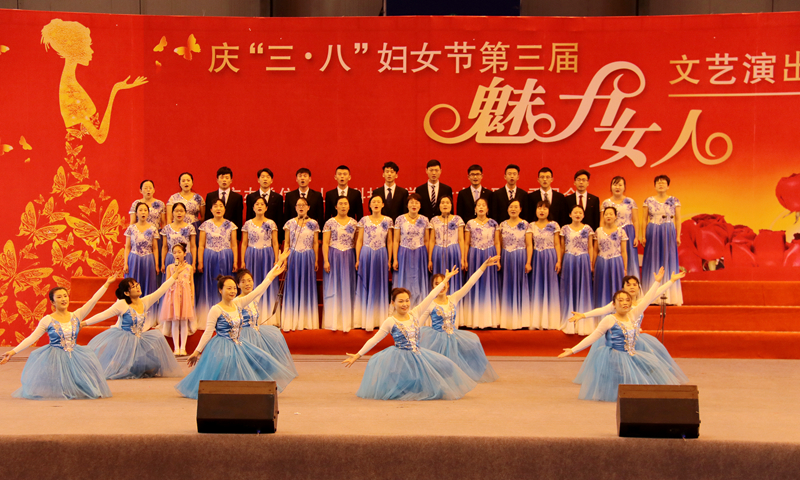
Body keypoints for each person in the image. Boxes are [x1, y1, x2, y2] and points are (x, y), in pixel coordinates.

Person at [342, 268, 477, 401]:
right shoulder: (390, 321)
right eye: (401, 301)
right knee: (406, 386)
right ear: (393, 303)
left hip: (418, 354)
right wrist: (358, 355)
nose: (405, 304)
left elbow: (431, 296)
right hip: (401, 358)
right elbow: (374, 340)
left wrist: (445, 280)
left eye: (407, 300)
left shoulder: (415, 313)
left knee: (446, 366)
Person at [177, 264, 295, 400]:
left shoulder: (238, 304)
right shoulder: (216, 309)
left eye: (234, 288)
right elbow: (208, 332)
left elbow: (259, 290)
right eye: (229, 288)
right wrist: (197, 352)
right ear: (220, 290)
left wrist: (272, 275)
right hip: (222, 345)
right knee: (223, 370)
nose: (232, 291)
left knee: (260, 360)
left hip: (239, 343)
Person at [558, 282, 689, 402]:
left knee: (652, 367)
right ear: (614, 304)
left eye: (627, 300)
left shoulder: (633, 315)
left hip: (631, 354)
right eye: (620, 300)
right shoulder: (609, 319)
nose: (625, 303)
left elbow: (648, 298)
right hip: (615, 355)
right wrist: (573, 350)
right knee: (623, 377)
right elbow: (594, 336)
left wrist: (658, 282)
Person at [0, 277, 116, 400]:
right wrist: (13, 352)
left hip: (75, 353)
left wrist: (107, 283)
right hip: (55, 355)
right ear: (52, 302)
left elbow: (93, 300)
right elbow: (32, 338)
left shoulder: (76, 315)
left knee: (85, 387)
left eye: (65, 296)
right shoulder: (47, 320)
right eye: (59, 297)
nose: (63, 299)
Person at [83, 266, 188, 379]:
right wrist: (84, 323)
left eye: (137, 284)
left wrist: (175, 275)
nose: (138, 287)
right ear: (126, 293)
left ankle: (130, 364)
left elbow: (161, 290)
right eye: (133, 287)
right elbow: (103, 315)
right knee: (122, 370)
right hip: (124, 341)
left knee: (152, 364)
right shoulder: (122, 304)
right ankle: (120, 363)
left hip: (139, 339)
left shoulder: (145, 301)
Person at [418, 257, 501, 383]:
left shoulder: (453, 298)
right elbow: (418, 325)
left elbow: (470, 283)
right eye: (437, 284)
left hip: (454, 335)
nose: (441, 286)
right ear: (433, 287)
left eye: (444, 282)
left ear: (448, 284)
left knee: (473, 342)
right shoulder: (429, 304)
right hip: (437, 338)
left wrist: (483, 267)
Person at [235, 265, 298, 377]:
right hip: (244, 336)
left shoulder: (254, 298)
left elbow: (265, 283)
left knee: (275, 337)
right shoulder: (237, 301)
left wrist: (278, 263)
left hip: (256, 333)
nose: (247, 284)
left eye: (249, 280)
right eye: (243, 281)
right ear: (238, 285)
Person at [641, 175, 683, 306]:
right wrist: (643, 236)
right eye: (658, 183)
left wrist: (678, 236)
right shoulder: (648, 201)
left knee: (668, 260)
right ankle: (651, 296)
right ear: (654, 185)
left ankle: (669, 296)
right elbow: (644, 219)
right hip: (653, 230)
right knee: (652, 260)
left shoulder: (674, 200)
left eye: (663, 183)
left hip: (668, 230)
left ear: (668, 186)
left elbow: (678, 219)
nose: (661, 184)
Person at [354, 195, 393, 331]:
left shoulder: (388, 221)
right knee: (365, 284)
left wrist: (389, 259)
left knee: (379, 285)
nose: (376, 204)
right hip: (366, 253)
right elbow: (359, 240)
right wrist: (357, 258)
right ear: (369, 205)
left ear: (383, 205)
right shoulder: (364, 220)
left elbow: (390, 241)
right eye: (373, 202)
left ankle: (379, 319)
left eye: (378, 202)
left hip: (381, 254)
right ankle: (364, 319)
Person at [196, 199, 238, 326]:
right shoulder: (205, 225)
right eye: (215, 206)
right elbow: (201, 245)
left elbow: (234, 245)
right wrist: (200, 261)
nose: (218, 208)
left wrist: (235, 261)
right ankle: (208, 316)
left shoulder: (231, 225)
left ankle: (227, 316)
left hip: (226, 257)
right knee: (209, 284)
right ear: (211, 209)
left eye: (221, 206)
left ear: (224, 209)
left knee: (225, 284)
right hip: (209, 257)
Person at [282, 197, 320, 331]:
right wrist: (285, 259)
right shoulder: (290, 223)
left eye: (304, 205)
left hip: (308, 256)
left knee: (306, 286)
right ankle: (292, 320)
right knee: (293, 286)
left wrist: (316, 259)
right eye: (298, 205)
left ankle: (307, 321)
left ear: (308, 207)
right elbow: (287, 243)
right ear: (295, 208)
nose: (301, 207)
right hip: (293, 256)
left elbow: (315, 243)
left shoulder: (314, 223)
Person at [241, 197, 280, 325]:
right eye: (257, 204)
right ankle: (249, 315)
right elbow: (244, 243)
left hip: (267, 255)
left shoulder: (271, 223)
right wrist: (242, 260)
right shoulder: (247, 224)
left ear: (266, 207)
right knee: (251, 283)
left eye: (262, 204)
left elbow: (275, 243)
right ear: (252, 207)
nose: (259, 206)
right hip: (251, 255)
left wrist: (276, 260)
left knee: (267, 283)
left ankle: (267, 316)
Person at [462, 198, 500, 328]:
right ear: (475, 209)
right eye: (479, 205)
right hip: (474, 255)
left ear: (487, 208)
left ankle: (489, 320)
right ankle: (473, 319)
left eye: (484, 205)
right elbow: (466, 243)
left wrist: (498, 259)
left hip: (490, 255)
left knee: (489, 285)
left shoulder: (494, 223)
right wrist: (465, 259)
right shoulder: (470, 224)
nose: (481, 207)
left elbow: (497, 242)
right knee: (474, 283)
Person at [322, 197, 358, 332]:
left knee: (348, 286)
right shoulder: (329, 223)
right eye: (340, 204)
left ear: (349, 207)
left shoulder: (354, 223)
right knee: (333, 287)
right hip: (334, 256)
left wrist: (357, 259)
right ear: (336, 207)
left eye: (345, 204)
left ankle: (348, 321)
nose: (343, 206)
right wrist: (326, 260)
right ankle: (333, 321)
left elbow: (357, 243)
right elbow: (325, 243)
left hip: (349, 256)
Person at [496, 200, 532, 329]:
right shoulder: (502, 225)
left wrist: (528, 262)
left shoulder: (526, 225)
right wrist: (499, 259)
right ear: (507, 209)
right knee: (506, 286)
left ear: (520, 209)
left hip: (520, 257)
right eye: (511, 207)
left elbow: (529, 245)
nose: (513, 209)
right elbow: (499, 243)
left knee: (520, 286)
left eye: (516, 207)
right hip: (506, 257)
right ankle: (506, 320)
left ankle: (521, 320)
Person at [560, 205, 595, 334]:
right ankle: (569, 319)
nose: (578, 215)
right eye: (575, 212)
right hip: (569, 259)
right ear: (570, 214)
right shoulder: (564, 229)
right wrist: (560, 261)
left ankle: (582, 321)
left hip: (583, 260)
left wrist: (591, 262)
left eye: (580, 212)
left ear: (583, 215)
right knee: (569, 288)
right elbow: (562, 247)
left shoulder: (588, 229)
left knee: (583, 288)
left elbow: (590, 247)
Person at [528, 201, 563, 330]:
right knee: (537, 286)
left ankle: (551, 321)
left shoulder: (554, 225)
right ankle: (537, 320)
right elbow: (529, 245)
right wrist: (528, 262)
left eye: (545, 208)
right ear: (535, 210)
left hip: (550, 257)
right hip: (537, 257)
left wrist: (559, 260)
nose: (542, 211)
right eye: (539, 208)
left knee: (550, 286)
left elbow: (557, 244)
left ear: (549, 211)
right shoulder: (531, 226)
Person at [392, 193, 430, 306]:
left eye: (416, 203)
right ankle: (403, 305)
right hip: (404, 253)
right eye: (411, 202)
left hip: (420, 253)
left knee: (419, 280)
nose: (414, 205)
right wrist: (395, 259)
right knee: (405, 279)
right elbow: (396, 240)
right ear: (407, 205)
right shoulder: (400, 219)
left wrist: (428, 259)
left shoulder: (425, 220)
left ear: (420, 206)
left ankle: (420, 306)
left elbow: (427, 240)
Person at [159, 244, 195, 356]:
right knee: (175, 321)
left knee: (184, 321)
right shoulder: (170, 267)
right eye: (174, 252)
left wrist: (192, 298)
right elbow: (167, 283)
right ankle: (176, 348)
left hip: (185, 296)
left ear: (184, 253)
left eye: (179, 252)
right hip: (173, 296)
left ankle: (183, 347)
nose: (177, 254)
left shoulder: (189, 268)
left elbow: (192, 284)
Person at [427, 196, 465, 297]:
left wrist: (463, 258)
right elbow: (432, 240)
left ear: (451, 205)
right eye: (442, 202)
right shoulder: (434, 220)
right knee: (439, 277)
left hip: (454, 252)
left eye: (447, 203)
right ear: (439, 206)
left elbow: (461, 239)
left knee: (453, 276)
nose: (445, 205)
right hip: (438, 252)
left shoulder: (458, 219)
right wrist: (430, 259)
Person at [602, 176, 640, 278]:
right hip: (611, 233)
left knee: (629, 257)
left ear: (624, 187)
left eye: (620, 185)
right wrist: (603, 235)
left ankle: (630, 282)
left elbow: (636, 220)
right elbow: (602, 222)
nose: (617, 187)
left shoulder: (630, 201)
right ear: (611, 187)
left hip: (628, 232)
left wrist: (636, 237)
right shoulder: (606, 203)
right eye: (615, 185)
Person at [593, 207, 628, 308]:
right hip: (601, 261)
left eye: (611, 214)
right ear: (603, 216)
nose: (608, 216)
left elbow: (624, 251)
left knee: (616, 286)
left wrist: (625, 268)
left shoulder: (621, 231)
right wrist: (593, 265)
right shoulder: (598, 231)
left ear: (616, 216)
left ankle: (617, 309)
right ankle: (601, 310)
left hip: (616, 262)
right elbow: (595, 250)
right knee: (601, 286)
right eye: (606, 214)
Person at [123, 202, 159, 298]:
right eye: (140, 210)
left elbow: (155, 248)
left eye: (145, 210)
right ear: (136, 213)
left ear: (148, 213)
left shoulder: (153, 229)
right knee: (132, 283)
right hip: (134, 259)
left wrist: (156, 264)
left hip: (148, 259)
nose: (143, 212)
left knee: (148, 283)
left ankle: (148, 306)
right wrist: (125, 263)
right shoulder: (131, 228)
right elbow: (127, 247)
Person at [160, 202, 197, 283]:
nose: (179, 213)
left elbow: (193, 246)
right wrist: (162, 263)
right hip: (171, 257)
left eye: (181, 211)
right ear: (172, 213)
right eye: (176, 211)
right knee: (170, 283)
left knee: (185, 282)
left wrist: (194, 263)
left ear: (185, 213)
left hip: (186, 258)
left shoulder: (190, 228)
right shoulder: (166, 228)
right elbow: (165, 247)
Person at [245, 168, 283, 244]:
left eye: (268, 177)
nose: (265, 179)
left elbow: (279, 220)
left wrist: (279, 240)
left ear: (271, 180)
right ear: (258, 180)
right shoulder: (251, 197)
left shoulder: (278, 197)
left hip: (272, 237)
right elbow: (249, 217)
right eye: (262, 177)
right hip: (255, 237)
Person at [204, 166, 244, 236]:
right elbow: (207, 216)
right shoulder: (210, 196)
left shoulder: (237, 197)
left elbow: (238, 219)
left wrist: (237, 237)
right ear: (217, 180)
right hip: (213, 233)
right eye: (222, 178)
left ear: (231, 180)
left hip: (230, 233)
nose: (224, 180)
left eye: (227, 178)